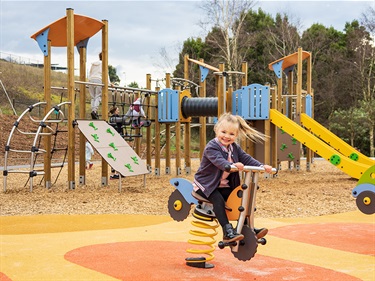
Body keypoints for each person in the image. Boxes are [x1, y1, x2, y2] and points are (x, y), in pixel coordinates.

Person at [193, 112, 273, 243]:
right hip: (206, 184)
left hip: (222, 185)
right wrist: (231, 165)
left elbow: (246, 159)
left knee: (240, 198)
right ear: (216, 129)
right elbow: (219, 161)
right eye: (223, 132)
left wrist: (262, 166)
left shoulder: (234, 148)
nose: (226, 136)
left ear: (236, 136)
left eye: (231, 134)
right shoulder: (211, 147)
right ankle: (227, 231)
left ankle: (246, 228)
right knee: (218, 200)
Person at [88, 52, 112, 119]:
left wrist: (88, 82)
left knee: (93, 97)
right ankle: (94, 111)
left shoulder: (94, 64)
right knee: (98, 96)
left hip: (91, 80)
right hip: (98, 79)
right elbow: (106, 74)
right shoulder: (103, 64)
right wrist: (109, 83)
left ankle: (93, 110)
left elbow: (90, 73)